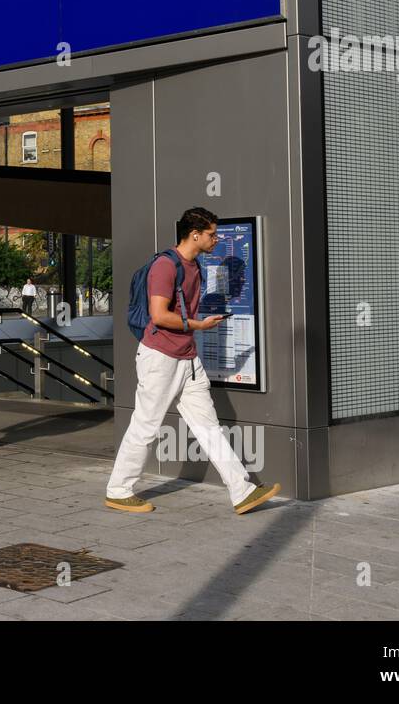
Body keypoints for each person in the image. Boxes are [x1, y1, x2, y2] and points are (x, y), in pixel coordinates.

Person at [106, 207, 281, 516]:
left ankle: (242, 491)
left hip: (187, 358)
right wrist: (200, 326)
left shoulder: (194, 267)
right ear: (195, 235)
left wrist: (195, 330)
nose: (217, 239)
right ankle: (119, 490)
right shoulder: (165, 266)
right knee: (146, 425)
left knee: (208, 426)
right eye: (212, 234)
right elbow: (159, 315)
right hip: (160, 357)